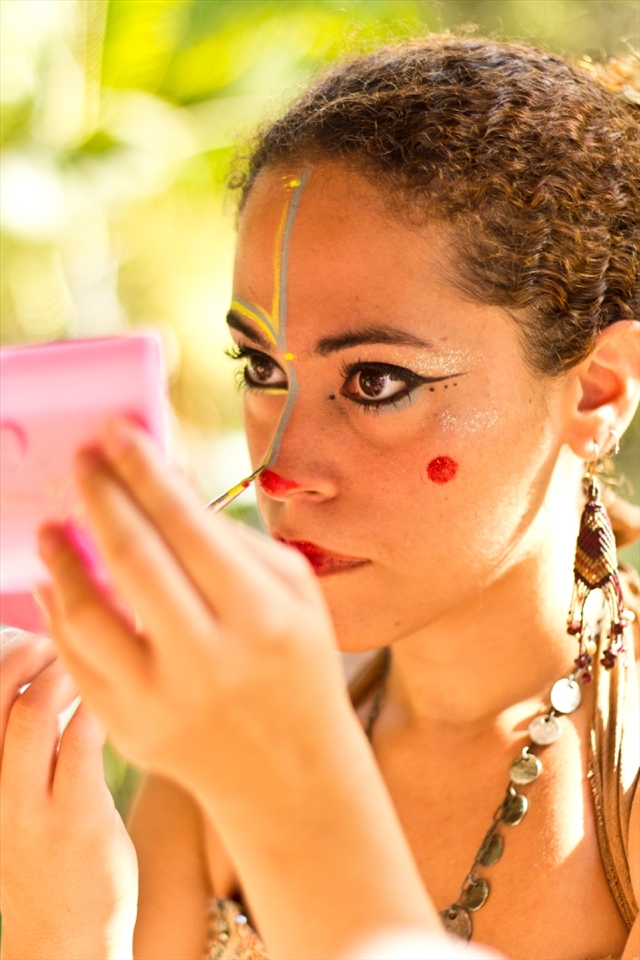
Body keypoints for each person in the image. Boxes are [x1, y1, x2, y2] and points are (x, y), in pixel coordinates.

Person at [1, 35, 639, 960]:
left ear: (598, 390)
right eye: (261, 367)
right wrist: (59, 925)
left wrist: (283, 794)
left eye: (377, 380)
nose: (279, 471)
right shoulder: (228, 738)